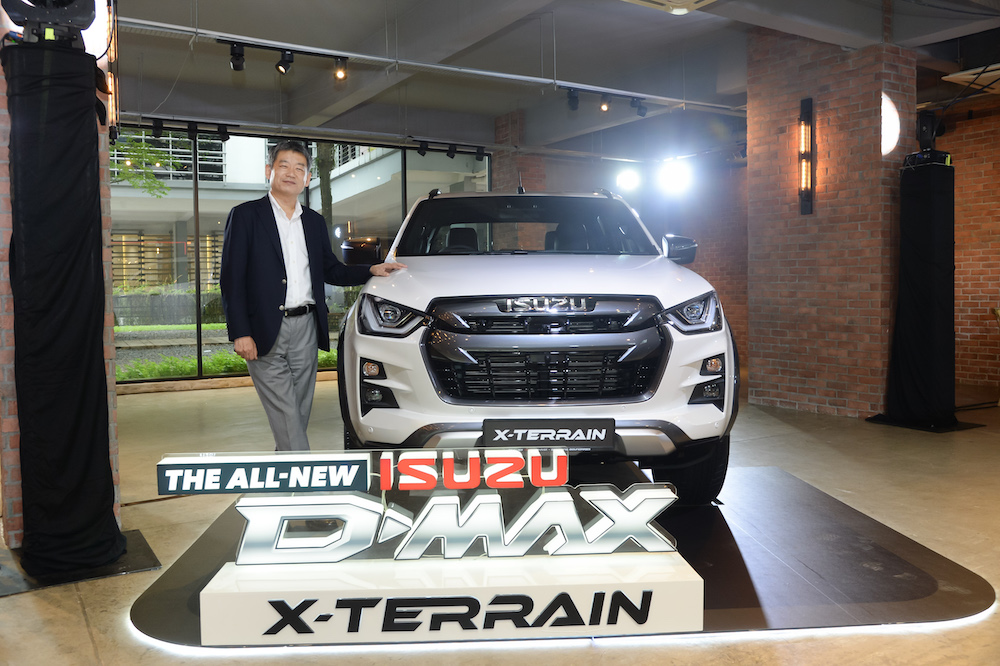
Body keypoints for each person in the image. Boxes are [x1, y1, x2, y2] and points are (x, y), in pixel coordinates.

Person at [221, 140, 405, 451]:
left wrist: (371, 270)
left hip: (306, 327)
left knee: (296, 413)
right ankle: (306, 472)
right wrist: (240, 332)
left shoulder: (313, 222)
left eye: (299, 168)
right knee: (287, 413)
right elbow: (232, 279)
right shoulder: (245, 216)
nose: (291, 173)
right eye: (283, 166)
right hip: (264, 328)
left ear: (307, 178)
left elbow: (331, 270)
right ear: (269, 171)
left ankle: (286, 473)